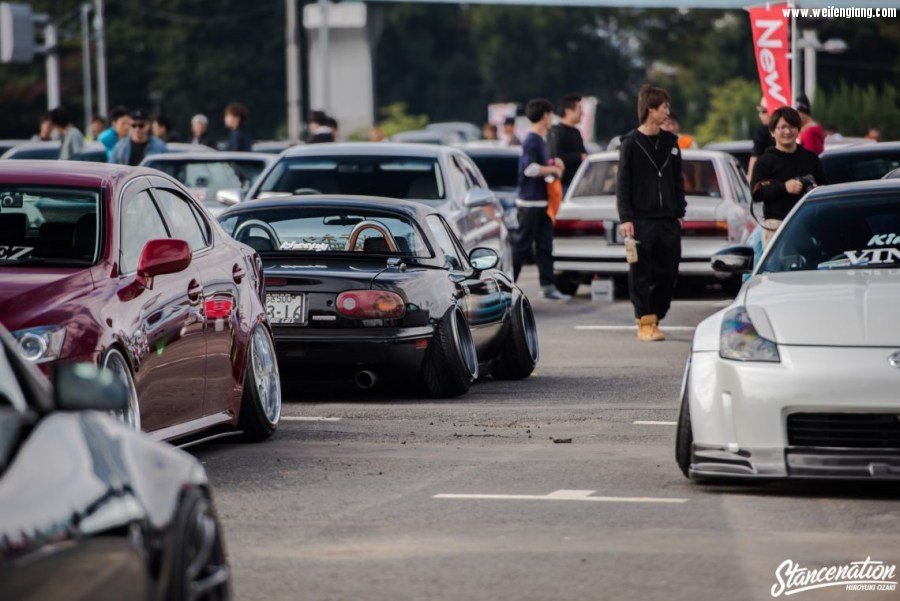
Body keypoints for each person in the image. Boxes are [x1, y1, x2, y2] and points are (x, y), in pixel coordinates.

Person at [616, 84, 685, 342]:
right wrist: (626, 218)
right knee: (641, 273)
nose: (668, 111)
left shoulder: (672, 143)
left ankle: (656, 314)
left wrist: (679, 210)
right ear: (650, 109)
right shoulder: (630, 143)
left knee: (668, 272)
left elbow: (677, 180)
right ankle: (645, 321)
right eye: (664, 107)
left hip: (668, 219)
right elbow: (623, 184)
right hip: (641, 220)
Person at [513, 98, 568, 301]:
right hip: (529, 204)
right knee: (522, 247)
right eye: (550, 114)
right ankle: (508, 285)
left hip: (542, 202)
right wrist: (553, 168)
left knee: (545, 246)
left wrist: (552, 165)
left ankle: (548, 286)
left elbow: (540, 169)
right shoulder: (532, 140)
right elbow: (530, 169)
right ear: (545, 115)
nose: (552, 118)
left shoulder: (540, 140)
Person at [751, 106, 826, 248]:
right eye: (782, 127)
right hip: (776, 226)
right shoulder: (764, 161)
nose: (787, 131)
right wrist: (784, 187)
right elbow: (756, 193)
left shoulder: (811, 158)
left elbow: (824, 186)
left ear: (798, 130)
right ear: (772, 132)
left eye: (792, 127)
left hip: (808, 224)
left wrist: (815, 190)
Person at [547, 94, 588, 192]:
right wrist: (579, 157)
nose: (582, 113)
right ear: (568, 111)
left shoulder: (576, 132)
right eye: (579, 109)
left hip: (576, 185)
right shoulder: (556, 131)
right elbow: (556, 156)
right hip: (562, 186)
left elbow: (584, 154)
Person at [748, 99, 774, 181]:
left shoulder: (762, 131)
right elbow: (755, 155)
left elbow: (755, 156)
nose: (760, 115)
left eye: (764, 112)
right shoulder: (762, 131)